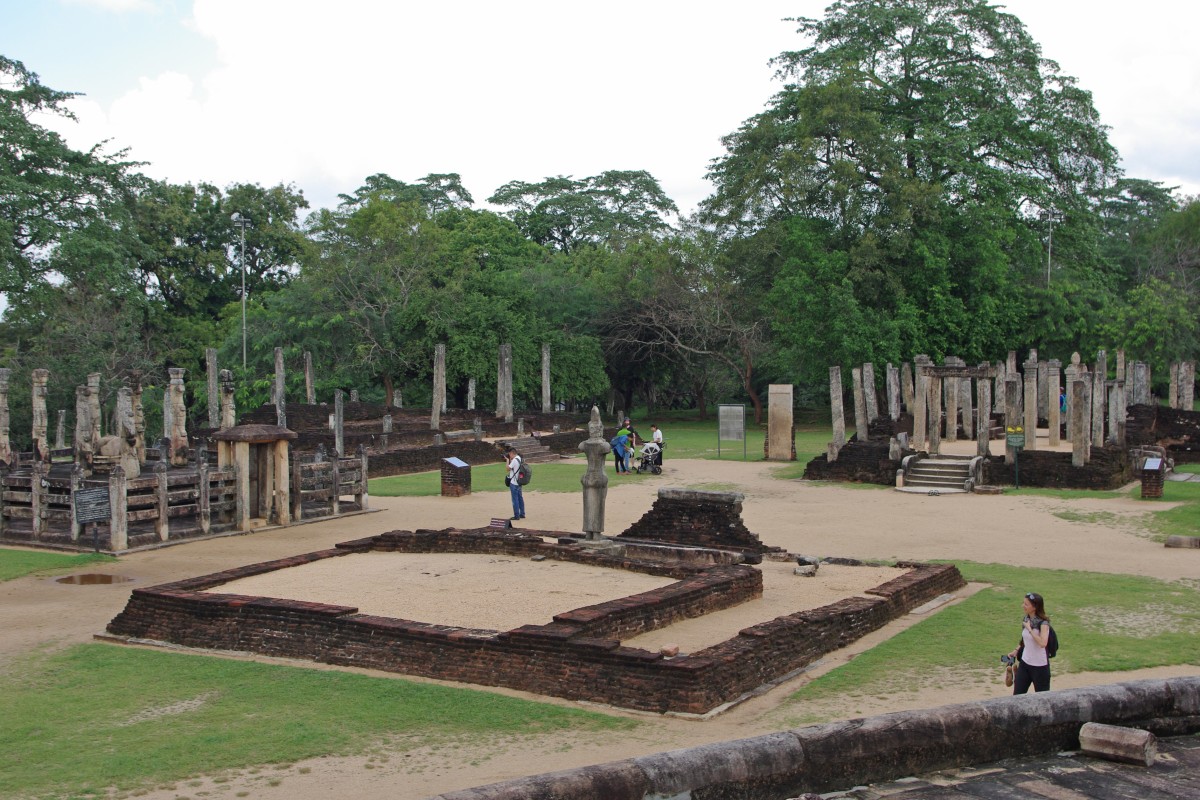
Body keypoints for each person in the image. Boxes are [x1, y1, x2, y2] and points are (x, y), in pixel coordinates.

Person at [1006, 592, 1052, 694]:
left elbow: (1043, 643)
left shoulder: (1043, 623)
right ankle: (1014, 673)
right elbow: (1024, 640)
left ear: (1034, 607)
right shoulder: (1026, 619)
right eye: (1023, 603)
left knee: (1042, 699)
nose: (1023, 606)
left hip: (1040, 667)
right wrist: (1016, 650)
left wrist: (1030, 629)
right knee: (1017, 696)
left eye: (1026, 604)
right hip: (1025, 663)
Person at [504, 446, 525, 521]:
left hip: (514, 483)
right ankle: (522, 513)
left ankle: (516, 516)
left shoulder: (514, 461)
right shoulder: (519, 458)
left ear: (511, 453)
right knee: (520, 498)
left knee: (515, 499)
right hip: (519, 482)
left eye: (509, 454)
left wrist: (507, 460)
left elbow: (507, 469)